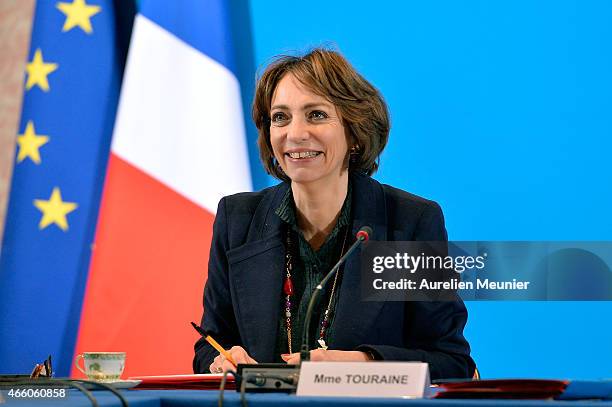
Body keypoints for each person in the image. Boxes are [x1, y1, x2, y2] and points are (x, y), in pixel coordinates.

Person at [193, 48, 475, 380]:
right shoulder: (237, 219)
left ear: (354, 132)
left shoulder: (409, 223)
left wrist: (364, 364)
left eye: (316, 115)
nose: (295, 133)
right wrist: (221, 359)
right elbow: (209, 345)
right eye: (280, 117)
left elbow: (451, 362)